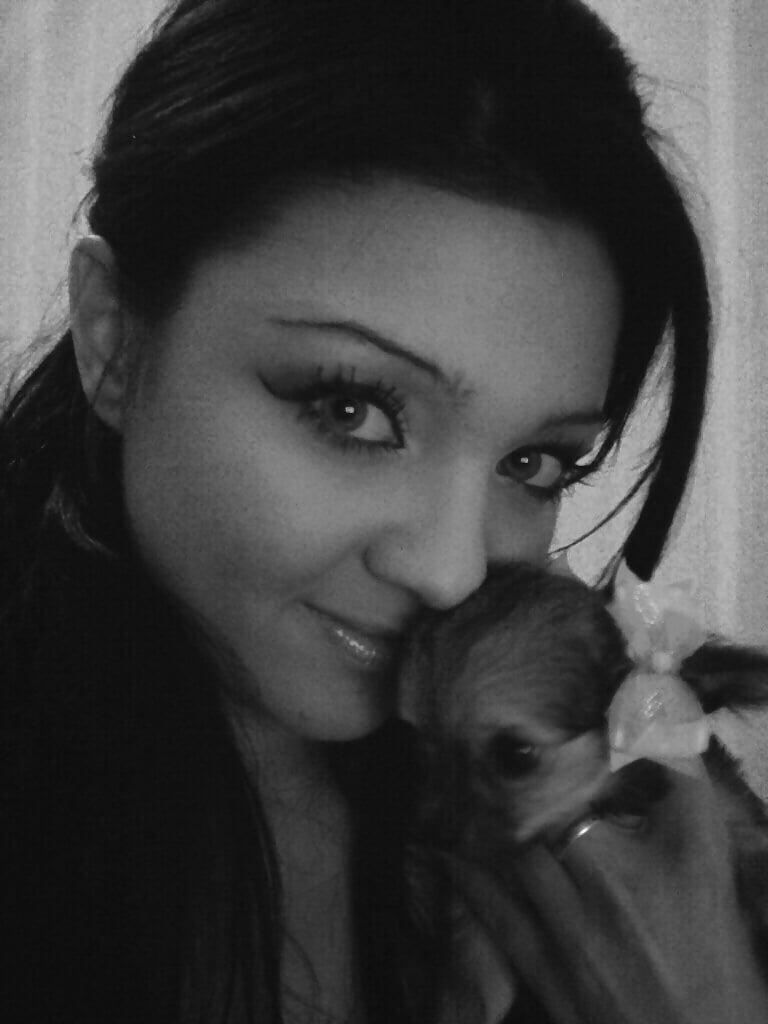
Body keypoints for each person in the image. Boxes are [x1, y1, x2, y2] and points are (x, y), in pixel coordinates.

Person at [1, 0, 766, 1021]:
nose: (452, 573)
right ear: (114, 337)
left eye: (533, 462)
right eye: (351, 408)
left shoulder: (561, 796)